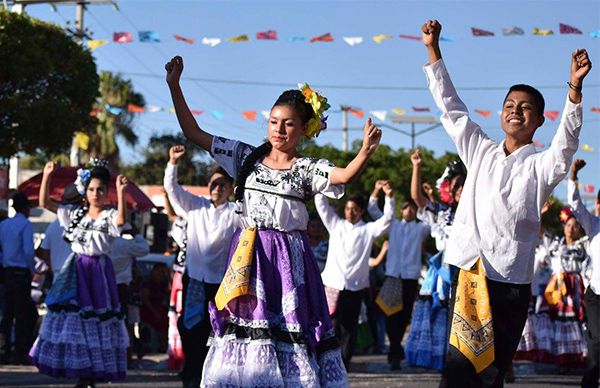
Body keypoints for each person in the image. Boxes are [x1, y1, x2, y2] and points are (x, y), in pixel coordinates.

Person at [166, 54, 383, 386]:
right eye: (274, 121)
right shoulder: (244, 156)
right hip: (249, 257)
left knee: (288, 332)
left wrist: (365, 152)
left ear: (305, 129)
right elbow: (194, 132)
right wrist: (174, 85)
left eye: (289, 123)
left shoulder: (306, 167)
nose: (279, 129)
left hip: (288, 260)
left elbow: (342, 176)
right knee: (248, 332)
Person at [421, 19, 591, 387]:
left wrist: (574, 88)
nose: (515, 111)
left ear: (538, 120)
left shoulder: (541, 165)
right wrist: (433, 49)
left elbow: (565, 145)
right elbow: (451, 108)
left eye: (525, 107)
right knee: (457, 367)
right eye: (509, 104)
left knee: (491, 371)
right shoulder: (479, 148)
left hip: (509, 279)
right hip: (468, 270)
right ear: (500, 113)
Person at [30, 160, 130, 387]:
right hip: (76, 271)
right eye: (92, 189)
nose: (96, 194)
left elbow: (122, 221)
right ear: (85, 191)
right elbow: (45, 202)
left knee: (95, 319)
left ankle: (90, 375)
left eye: (101, 190)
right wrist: (47, 175)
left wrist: (122, 193)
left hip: (98, 274)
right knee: (74, 319)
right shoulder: (75, 214)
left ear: (107, 193)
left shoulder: (109, 215)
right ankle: (83, 372)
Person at [163, 146, 238, 388]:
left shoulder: (236, 213)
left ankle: (210, 376)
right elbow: (172, 190)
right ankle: (191, 373)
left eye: (222, 185)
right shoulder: (195, 206)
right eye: (213, 184)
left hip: (221, 284)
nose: (217, 188)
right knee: (188, 327)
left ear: (230, 189)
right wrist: (173, 163)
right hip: (194, 279)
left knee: (216, 332)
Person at [318, 185, 394, 369]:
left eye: (354, 209)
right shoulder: (336, 224)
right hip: (333, 284)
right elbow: (321, 204)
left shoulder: (368, 230)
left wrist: (389, 198)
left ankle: (344, 362)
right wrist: (324, 183)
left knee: (349, 327)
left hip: (355, 286)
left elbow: (388, 219)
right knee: (331, 325)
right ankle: (328, 360)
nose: (350, 212)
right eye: (347, 208)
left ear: (361, 212)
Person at [404, 150, 466, 372]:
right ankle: (439, 359)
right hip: (441, 271)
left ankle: (459, 360)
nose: (460, 190)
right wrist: (416, 167)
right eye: (457, 186)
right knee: (437, 312)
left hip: (466, 270)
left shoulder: (474, 214)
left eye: (464, 186)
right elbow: (417, 199)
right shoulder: (441, 212)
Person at [368, 178, 430, 370]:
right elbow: (373, 210)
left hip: (410, 277)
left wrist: (427, 197)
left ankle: (395, 351)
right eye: (406, 208)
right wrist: (377, 191)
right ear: (401, 210)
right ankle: (395, 350)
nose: (409, 211)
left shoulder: (421, 228)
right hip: (392, 276)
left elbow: (431, 219)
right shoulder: (393, 224)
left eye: (412, 208)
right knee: (389, 313)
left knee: (403, 316)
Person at [569, 159, 600, 387]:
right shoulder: (593, 225)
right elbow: (576, 206)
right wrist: (573, 176)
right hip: (596, 295)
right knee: (598, 342)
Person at [0, 192, 35, 365]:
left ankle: (5, 349)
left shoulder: (4, 225)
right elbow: (28, 251)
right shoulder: (26, 225)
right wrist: (31, 269)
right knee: (21, 314)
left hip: (7, 272)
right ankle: (20, 351)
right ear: (25, 208)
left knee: (7, 313)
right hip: (21, 272)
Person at [109, 225, 150, 368]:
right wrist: (137, 234)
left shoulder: (102, 242)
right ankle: (126, 357)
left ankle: (114, 357)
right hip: (122, 288)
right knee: (125, 325)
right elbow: (144, 248)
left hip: (104, 286)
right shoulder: (123, 244)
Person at [37, 184, 80, 278]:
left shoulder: (52, 227)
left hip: (62, 274)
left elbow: (45, 251)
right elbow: (44, 203)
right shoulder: (85, 219)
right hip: (73, 275)